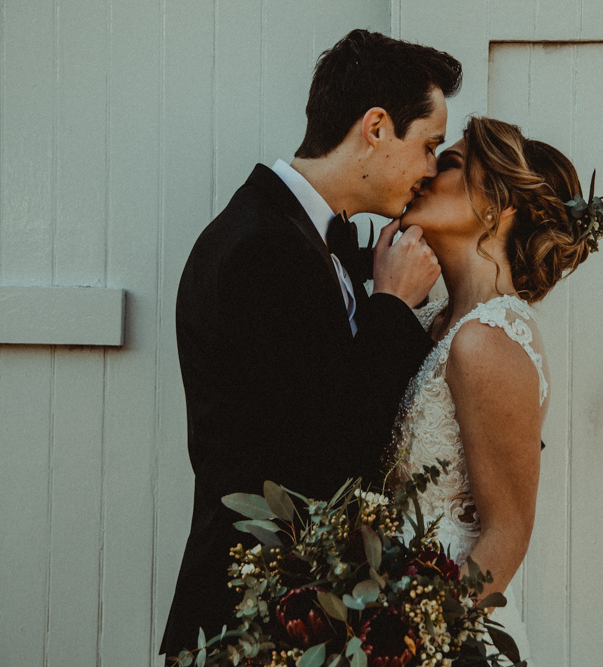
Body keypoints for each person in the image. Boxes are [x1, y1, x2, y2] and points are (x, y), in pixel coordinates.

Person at [160, 29, 462, 657]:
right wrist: (390, 306)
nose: (432, 168)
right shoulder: (259, 249)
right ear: (376, 128)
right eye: (429, 144)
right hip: (252, 620)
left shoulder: (304, 238)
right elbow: (322, 447)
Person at [386, 116, 603, 665]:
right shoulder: (435, 320)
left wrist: (419, 643)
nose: (428, 173)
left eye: (452, 163)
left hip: (451, 639)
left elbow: (507, 536)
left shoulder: (488, 338)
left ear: (499, 205)